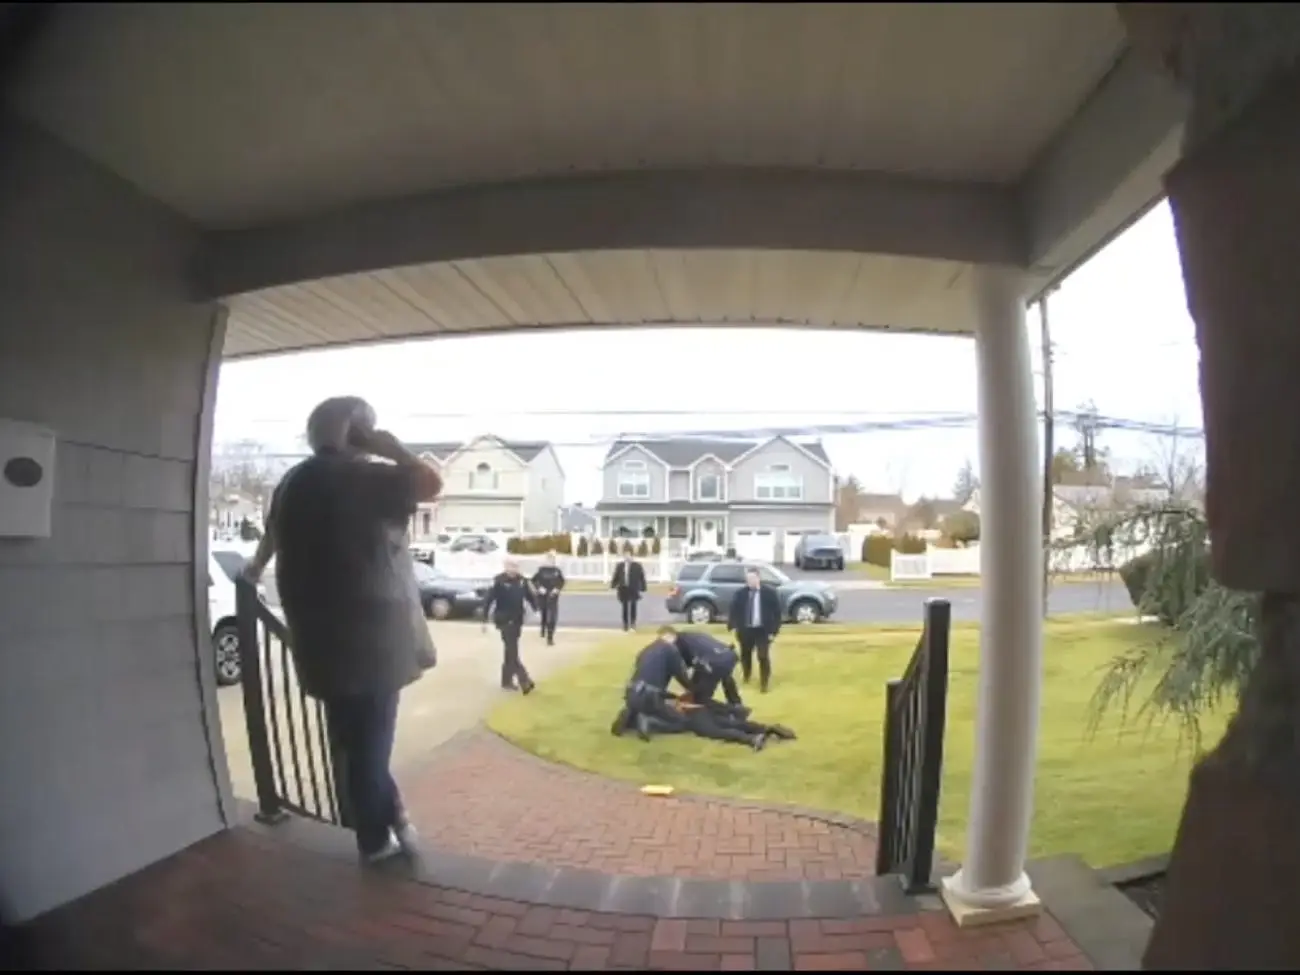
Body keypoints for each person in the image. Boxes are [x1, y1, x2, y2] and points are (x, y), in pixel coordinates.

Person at [242, 396, 441, 867]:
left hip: (319, 639)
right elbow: (430, 483)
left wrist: (250, 573)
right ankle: (374, 843)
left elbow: (268, 542)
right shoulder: (367, 477)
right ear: (358, 433)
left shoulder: (294, 482)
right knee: (369, 747)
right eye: (367, 428)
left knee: (355, 742)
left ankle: (393, 816)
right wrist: (392, 447)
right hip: (373, 639)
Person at [614, 625, 693, 740]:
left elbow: (646, 675)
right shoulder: (671, 650)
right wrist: (692, 689)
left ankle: (631, 716)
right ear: (672, 637)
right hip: (650, 697)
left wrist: (671, 695)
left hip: (631, 692)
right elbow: (681, 675)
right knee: (682, 722)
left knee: (647, 706)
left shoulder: (645, 650)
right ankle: (650, 722)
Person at [482, 558, 539, 693]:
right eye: (511, 566)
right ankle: (525, 680)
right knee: (512, 650)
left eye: (516, 566)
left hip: (518, 619)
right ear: (505, 567)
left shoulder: (523, 581)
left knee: (510, 650)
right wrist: (484, 620)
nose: (513, 568)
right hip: (504, 620)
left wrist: (536, 610)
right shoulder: (498, 581)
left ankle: (506, 681)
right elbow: (488, 600)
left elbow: (531, 597)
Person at [727, 567, 782, 692]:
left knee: (763, 656)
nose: (750, 581)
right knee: (745, 655)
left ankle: (764, 683)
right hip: (746, 630)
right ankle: (747, 674)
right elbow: (734, 610)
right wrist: (732, 625)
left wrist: (774, 631)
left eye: (752, 578)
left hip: (763, 630)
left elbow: (777, 613)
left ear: (758, 578)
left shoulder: (769, 593)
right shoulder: (741, 594)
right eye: (748, 579)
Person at [668, 625, 744, 707]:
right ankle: (736, 704)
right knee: (724, 674)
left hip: (711, 661)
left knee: (700, 698)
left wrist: (689, 687)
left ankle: (723, 710)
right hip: (728, 655)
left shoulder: (678, 643)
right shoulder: (692, 636)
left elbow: (680, 668)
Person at [530, 551, 566, 646]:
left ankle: (550, 637)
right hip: (542, 596)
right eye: (549, 559)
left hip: (553, 597)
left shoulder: (557, 571)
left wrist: (557, 589)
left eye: (553, 559)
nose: (551, 561)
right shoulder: (541, 570)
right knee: (544, 615)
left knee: (552, 617)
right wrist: (539, 588)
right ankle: (543, 628)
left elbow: (561, 582)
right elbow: (533, 580)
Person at [609, 551, 647, 631]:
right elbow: (616, 576)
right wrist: (613, 585)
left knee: (633, 605)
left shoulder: (637, 566)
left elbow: (642, 577)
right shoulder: (620, 566)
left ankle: (633, 623)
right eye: (625, 556)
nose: (627, 558)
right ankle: (625, 624)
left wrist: (643, 587)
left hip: (633, 588)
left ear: (632, 557)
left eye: (629, 556)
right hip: (623, 588)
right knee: (625, 607)